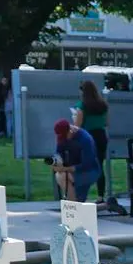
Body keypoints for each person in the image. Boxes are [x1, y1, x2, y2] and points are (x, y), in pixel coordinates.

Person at [72, 80, 115, 212]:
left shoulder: (82, 105)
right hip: (101, 136)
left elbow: (77, 125)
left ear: (82, 91)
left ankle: (79, 195)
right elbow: (107, 122)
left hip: (87, 136)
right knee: (99, 165)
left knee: (85, 164)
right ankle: (101, 195)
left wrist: (74, 117)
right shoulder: (103, 105)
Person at [51, 118, 96, 201]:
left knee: (61, 176)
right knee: (60, 175)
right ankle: (74, 204)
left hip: (89, 171)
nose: (64, 140)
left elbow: (87, 165)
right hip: (74, 171)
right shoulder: (64, 137)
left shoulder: (85, 139)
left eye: (65, 136)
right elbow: (58, 153)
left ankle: (73, 204)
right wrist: (56, 163)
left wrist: (65, 168)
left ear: (70, 130)